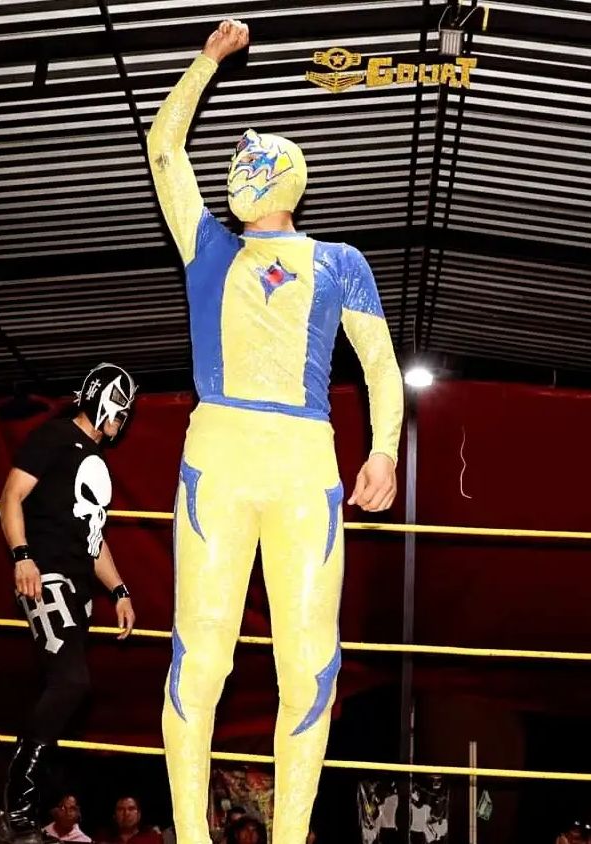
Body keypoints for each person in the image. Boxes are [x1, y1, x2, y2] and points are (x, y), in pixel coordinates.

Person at [147, 19, 403, 844]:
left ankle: (283, 836)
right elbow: (163, 151)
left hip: (277, 460)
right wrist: (206, 61)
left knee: (303, 661)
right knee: (209, 655)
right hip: (246, 457)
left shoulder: (336, 261)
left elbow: (381, 365)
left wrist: (384, 449)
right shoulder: (213, 247)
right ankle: (194, 836)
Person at [0, 363, 138, 844]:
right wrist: (23, 557)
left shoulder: (94, 458)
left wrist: (119, 590)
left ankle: (19, 811)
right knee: (71, 682)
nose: (122, 421)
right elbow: (10, 497)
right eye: (120, 410)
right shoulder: (53, 436)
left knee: (64, 688)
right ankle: (17, 804)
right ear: (102, 401)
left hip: (78, 588)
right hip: (46, 576)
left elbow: (93, 537)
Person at [98, 795, 162, 844]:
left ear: (139, 815)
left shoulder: (153, 839)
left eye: (131, 809)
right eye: (120, 809)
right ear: (114, 816)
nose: (126, 813)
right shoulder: (102, 839)